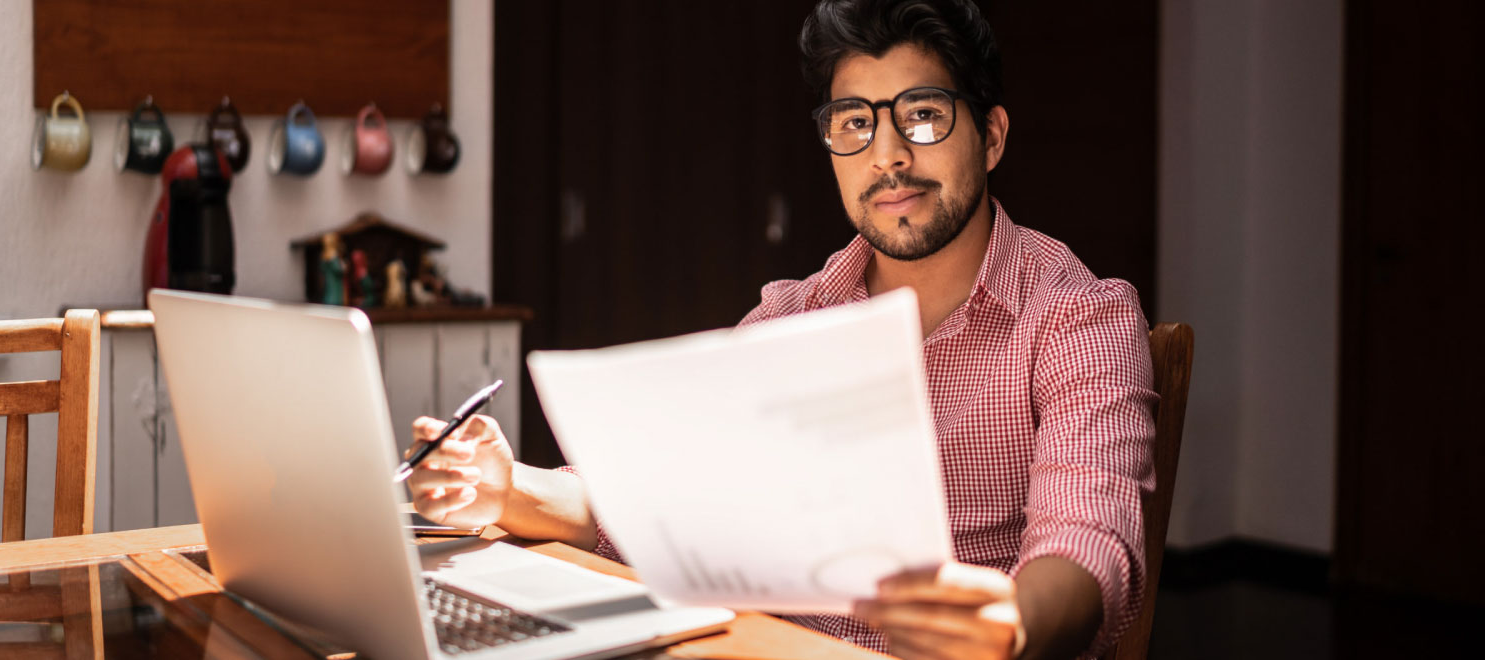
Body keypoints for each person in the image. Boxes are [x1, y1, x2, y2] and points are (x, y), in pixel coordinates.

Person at [403, 1, 1155, 657]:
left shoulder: (1079, 317)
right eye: (855, 123)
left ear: (990, 136)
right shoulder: (792, 316)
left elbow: (1090, 542)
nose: (887, 156)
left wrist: (1013, 622)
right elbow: (668, 496)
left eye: (923, 115)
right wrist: (507, 490)